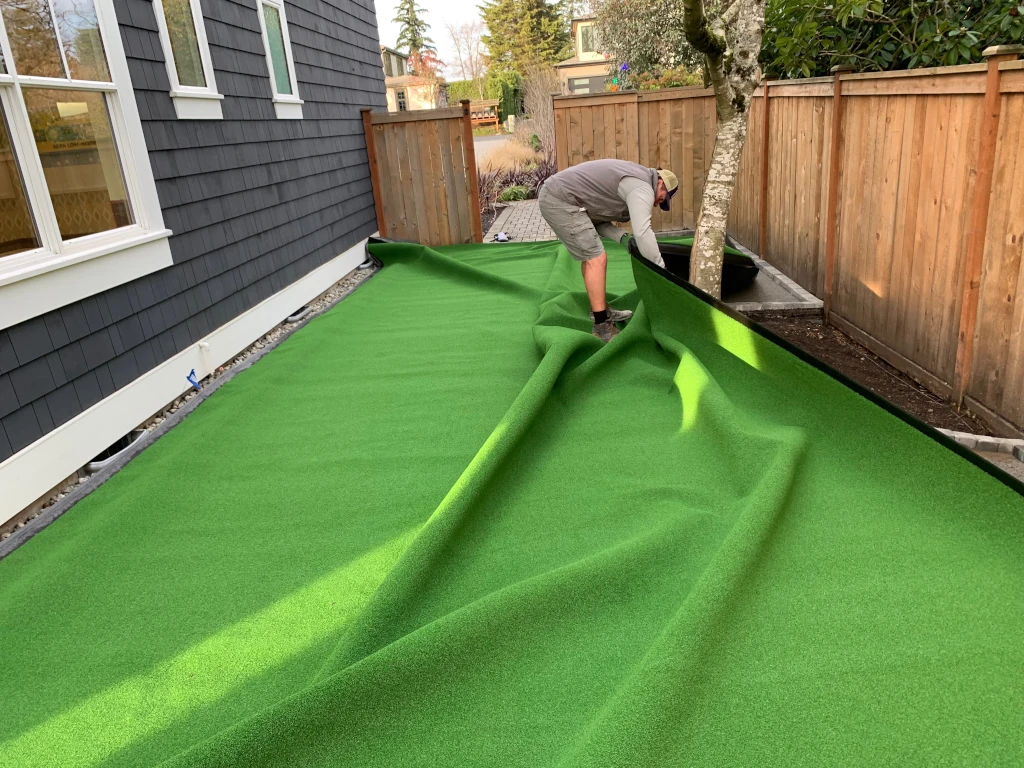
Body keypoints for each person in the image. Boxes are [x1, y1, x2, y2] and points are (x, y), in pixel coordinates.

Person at [538, 159, 679, 341]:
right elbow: (643, 232)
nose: (657, 204)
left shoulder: (635, 179)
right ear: (660, 182)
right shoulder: (642, 187)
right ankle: (601, 326)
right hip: (560, 200)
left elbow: (595, 219)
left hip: (563, 198)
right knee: (596, 258)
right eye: (661, 198)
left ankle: (599, 309)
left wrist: (622, 238)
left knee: (591, 257)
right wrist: (661, 272)